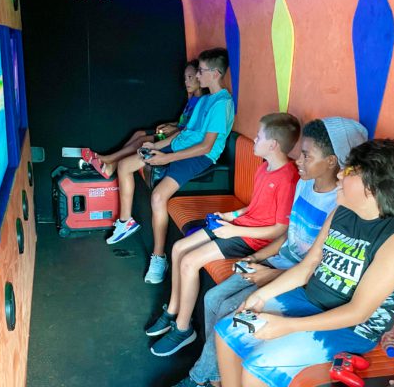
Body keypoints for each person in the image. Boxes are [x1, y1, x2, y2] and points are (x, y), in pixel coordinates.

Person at [174, 117, 368, 387]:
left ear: (333, 162)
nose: (297, 160)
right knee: (212, 297)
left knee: (230, 309)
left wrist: (269, 274)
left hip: (291, 276)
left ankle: (198, 378)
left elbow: (315, 269)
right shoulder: (304, 184)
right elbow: (288, 235)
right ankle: (217, 375)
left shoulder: (339, 204)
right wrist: (256, 258)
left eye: (306, 155)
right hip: (276, 262)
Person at [215, 139, 394, 387]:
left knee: (258, 368)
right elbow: (307, 267)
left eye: (349, 171)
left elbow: (358, 312)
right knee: (226, 332)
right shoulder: (341, 211)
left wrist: (287, 326)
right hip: (309, 299)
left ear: (372, 186)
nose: (338, 174)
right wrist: (262, 295)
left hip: (353, 328)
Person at [146, 113, 301, 357]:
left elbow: (279, 230)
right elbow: (253, 208)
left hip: (253, 238)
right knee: (178, 249)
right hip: (240, 226)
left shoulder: (289, 177)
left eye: (259, 136)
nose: (255, 139)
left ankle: (184, 328)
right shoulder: (264, 167)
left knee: (189, 261)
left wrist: (234, 229)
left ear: (273, 145)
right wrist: (231, 215)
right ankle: (172, 311)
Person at [105, 48, 234, 283]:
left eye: (202, 72)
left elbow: (206, 147)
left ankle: (159, 257)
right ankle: (125, 222)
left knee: (157, 197)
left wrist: (165, 158)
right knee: (125, 164)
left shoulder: (222, 104)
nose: (198, 76)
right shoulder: (204, 99)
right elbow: (183, 133)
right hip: (178, 148)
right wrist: (158, 148)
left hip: (198, 157)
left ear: (215, 74)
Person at [81, 59, 206, 178]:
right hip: (174, 130)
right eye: (185, 78)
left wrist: (173, 128)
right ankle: (111, 164)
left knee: (141, 141)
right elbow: (184, 120)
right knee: (138, 133)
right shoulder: (191, 98)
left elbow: (190, 128)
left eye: (190, 77)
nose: (186, 81)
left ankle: (108, 160)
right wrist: (170, 124)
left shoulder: (203, 101)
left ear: (199, 77)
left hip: (177, 136)